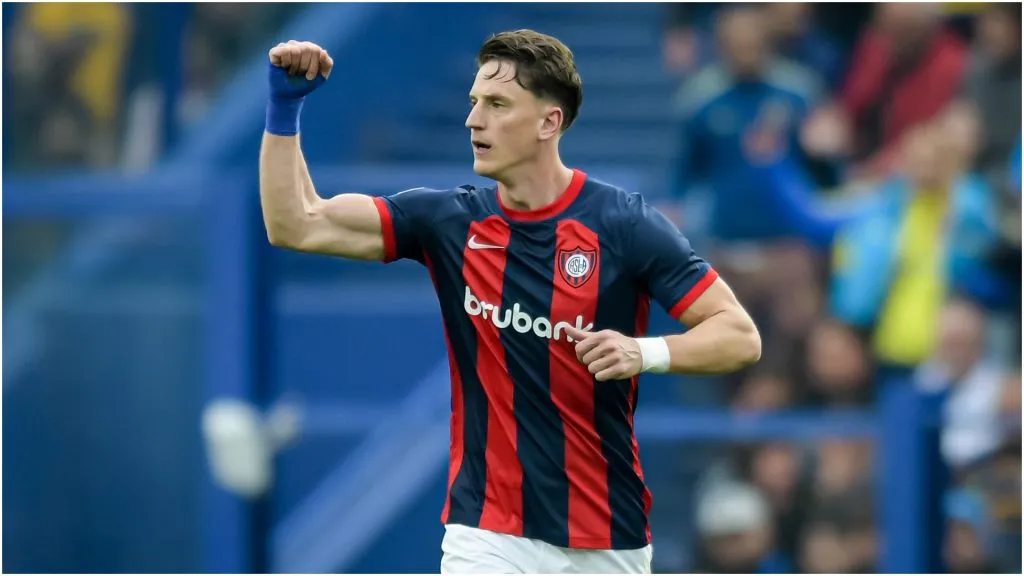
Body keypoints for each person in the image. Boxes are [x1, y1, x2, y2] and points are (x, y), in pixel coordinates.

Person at [259, 31, 761, 574]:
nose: (474, 120)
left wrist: (645, 352)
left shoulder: (624, 224)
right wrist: (284, 109)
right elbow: (297, 224)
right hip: (489, 532)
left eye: (497, 105)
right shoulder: (448, 222)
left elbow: (739, 335)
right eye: (474, 102)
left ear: (549, 122)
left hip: (607, 534)